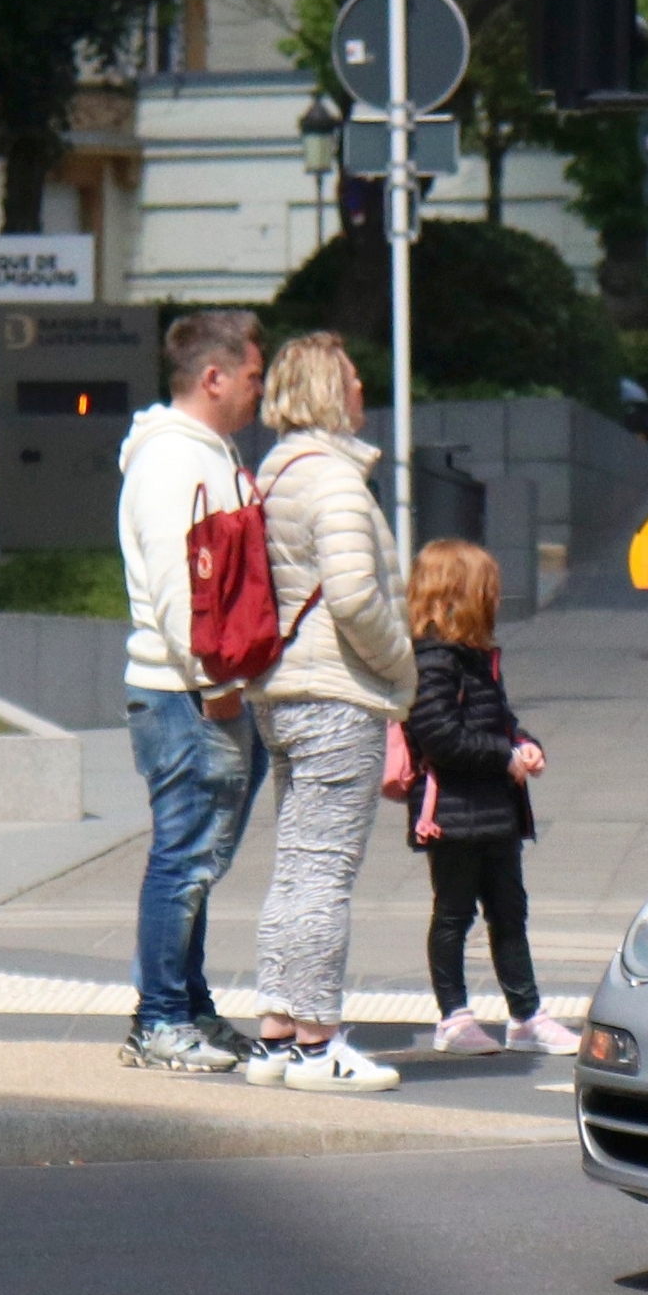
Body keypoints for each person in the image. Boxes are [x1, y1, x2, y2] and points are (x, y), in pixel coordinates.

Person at [240, 333, 416, 1093]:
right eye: (350, 376)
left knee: (294, 867)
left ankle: (276, 1033)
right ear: (324, 390)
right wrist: (403, 666)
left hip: (280, 690)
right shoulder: (337, 483)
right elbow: (352, 596)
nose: (361, 387)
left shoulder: (275, 475)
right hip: (336, 692)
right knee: (324, 871)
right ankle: (318, 1042)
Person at [116, 310, 269, 1072]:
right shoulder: (177, 464)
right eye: (251, 376)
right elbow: (185, 588)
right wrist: (219, 689)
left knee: (194, 864)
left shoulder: (206, 454)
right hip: (185, 693)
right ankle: (159, 1020)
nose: (259, 391)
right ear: (213, 377)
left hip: (196, 690)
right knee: (182, 860)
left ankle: (187, 1009)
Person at [401, 539, 581, 1055]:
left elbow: (498, 719)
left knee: (509, 910)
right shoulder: (435, 660)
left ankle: (526, 1015)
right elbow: (438, 735)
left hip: (494, 808)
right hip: (453, 812)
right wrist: (504, 756)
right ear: (463, 597)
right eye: (491, 592)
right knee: (454, 912)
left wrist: (524, 744)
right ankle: (454, 1017)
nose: (498, 601)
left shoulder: (475, 659)